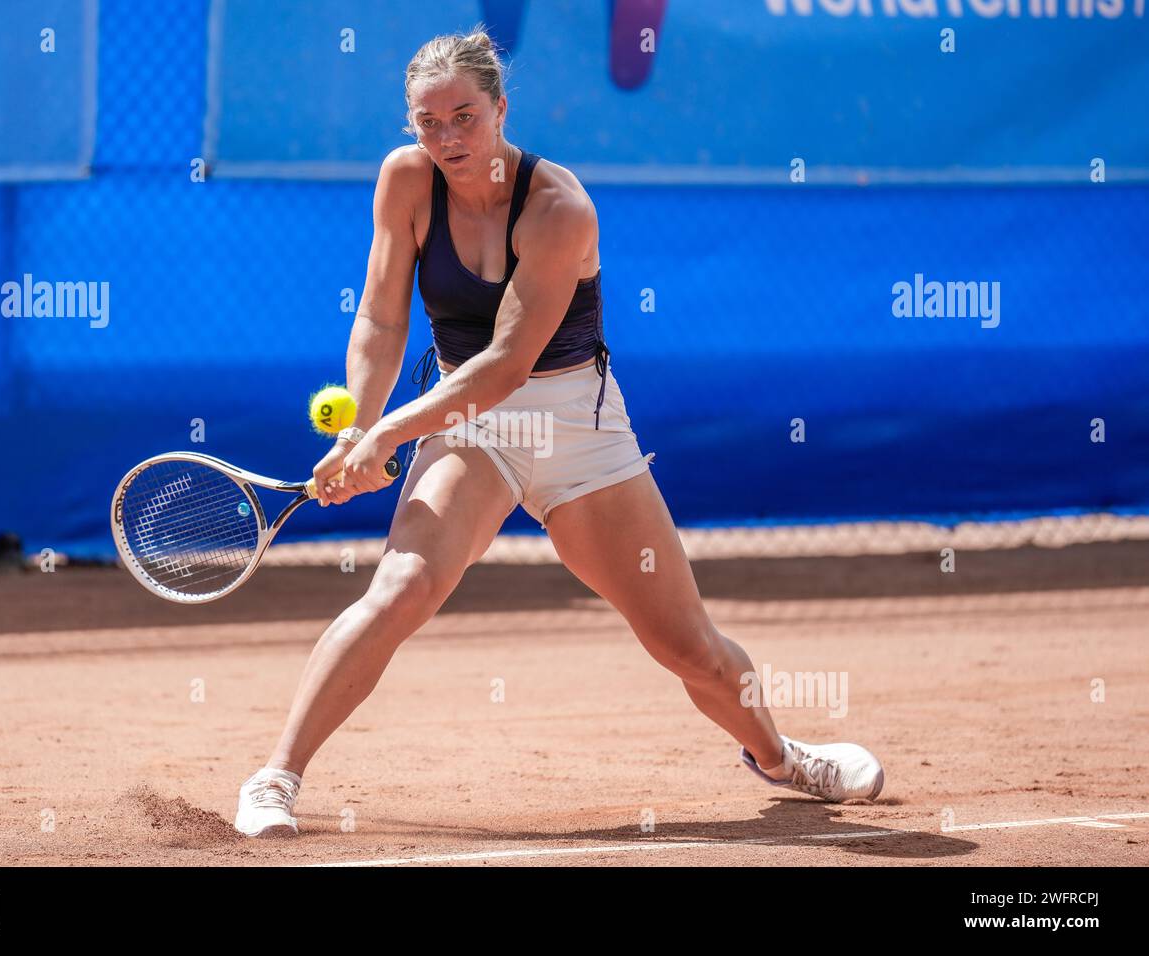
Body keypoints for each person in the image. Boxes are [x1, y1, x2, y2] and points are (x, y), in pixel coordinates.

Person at [235, 28, 883, 837]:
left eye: (464, 117)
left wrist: (390, 434)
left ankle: (781, 757)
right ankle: (275, 779)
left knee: (690, 648)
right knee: (401, 587)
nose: (446, 139)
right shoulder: (405, 182)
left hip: (579, 427)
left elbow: (507, 362)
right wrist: (358, 428)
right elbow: (381, 315)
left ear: (501, 110)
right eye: (427, 122)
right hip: (468, 431)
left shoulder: (558, 208)